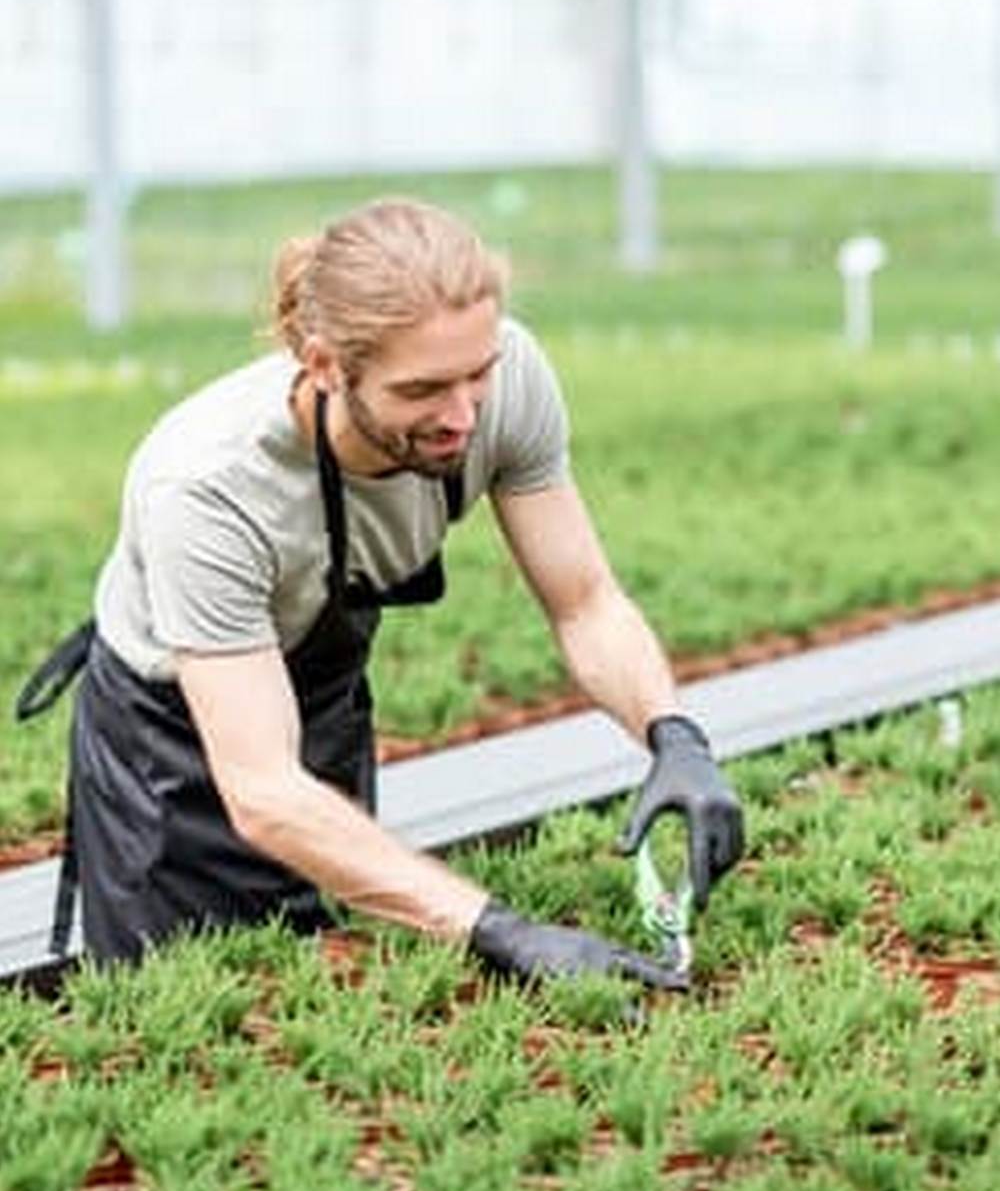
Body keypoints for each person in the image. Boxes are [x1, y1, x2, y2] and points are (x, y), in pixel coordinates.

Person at [18, 198, 743, 983]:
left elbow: (586, 602)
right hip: (173, 744)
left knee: (329, 948)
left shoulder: (506, 378)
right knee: (189, 995)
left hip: (320, 697)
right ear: (324, 365)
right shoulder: (208, 489)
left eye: (479, 373)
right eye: (424, 389)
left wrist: (673, 735)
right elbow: (262, 788)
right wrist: (498, 931)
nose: (464, 415)